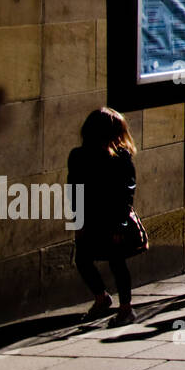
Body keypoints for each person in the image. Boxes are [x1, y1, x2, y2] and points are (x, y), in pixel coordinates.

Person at [69, 108, 142, 326]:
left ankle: (126, 308)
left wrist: (120, 224)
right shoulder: (78, 156)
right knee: (82, 258)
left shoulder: (121, 157)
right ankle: (102, 298)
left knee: (116, 261)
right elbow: (74, 189)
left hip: (112, 216)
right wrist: (78, 220)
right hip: (92, 215)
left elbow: (126, 192)